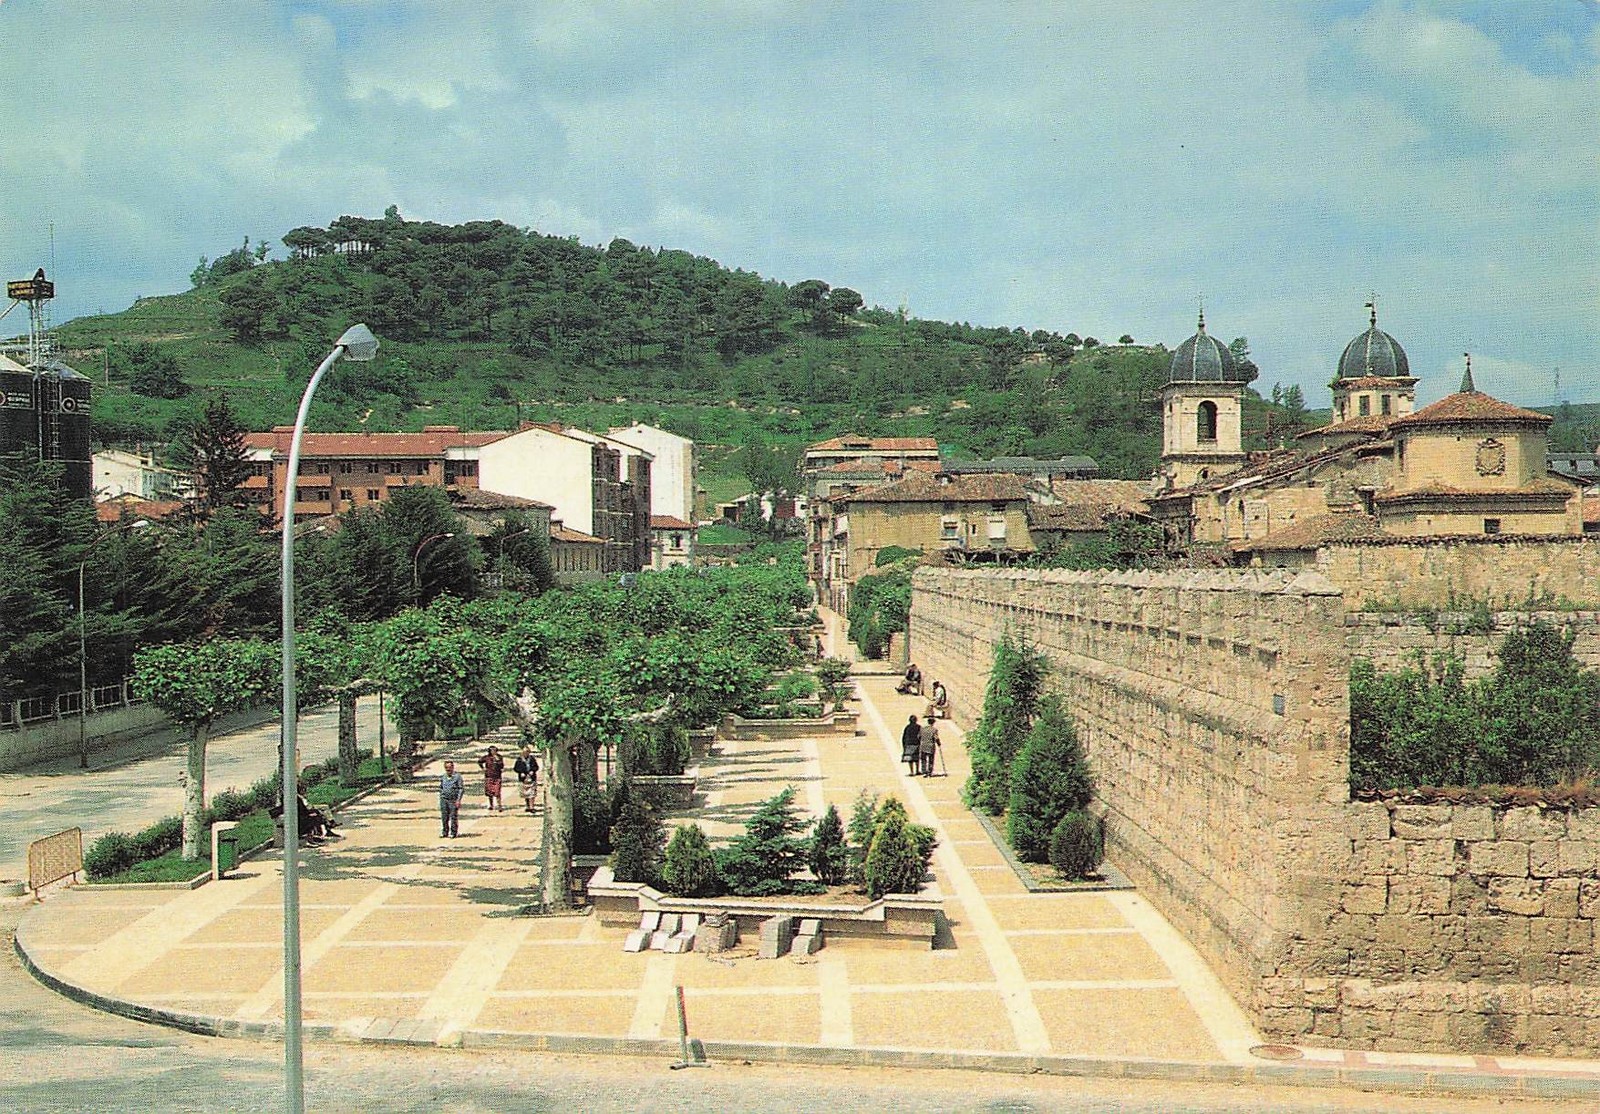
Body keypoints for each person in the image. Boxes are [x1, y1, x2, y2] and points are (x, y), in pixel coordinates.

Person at [439, 760, 465, 838]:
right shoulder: (443, 776)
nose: (448, 769)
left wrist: (458, 800)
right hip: (444, 799)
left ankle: (453, 832)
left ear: (453, 767)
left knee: (453, 816)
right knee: (444, 816)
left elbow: (461, 789)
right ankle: (445, 832)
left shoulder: (457, 777)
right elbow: (441, 787)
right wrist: (441, 794)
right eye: (446, 768)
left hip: (453, 800)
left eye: (450, 767)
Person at [477, 746, 505, 812]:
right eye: (492, 750)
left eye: (495, 750)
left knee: (497, 792)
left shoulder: (499, 757)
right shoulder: (487, 757)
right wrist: (483, 768)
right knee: (490, 792)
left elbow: (502, 765)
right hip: (489, 776)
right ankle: (491, 805)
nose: (493, 752)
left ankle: (499, 805)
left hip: (497, 776)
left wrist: (497, 760)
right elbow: (479, 761)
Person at [513, 744, 539, 814]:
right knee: (526, 794)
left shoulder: (532, 759)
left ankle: (532, 807)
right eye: (524, 752)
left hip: (531, 778)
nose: (526, 753)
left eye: (527, 752)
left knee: (532, 793)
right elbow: (515, 768)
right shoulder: (519, 760)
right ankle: (527, 806)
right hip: (523, 779)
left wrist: (533, 771)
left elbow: (536, 767)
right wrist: (521, 772)